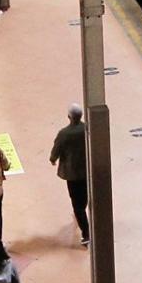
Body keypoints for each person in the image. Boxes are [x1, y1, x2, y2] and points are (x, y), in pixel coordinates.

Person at [49, 103, 90, 246]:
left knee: (76, 202)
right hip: (86, 170)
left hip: (72, 172)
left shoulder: (64, 133)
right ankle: (82, 213)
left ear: (69, 117)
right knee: (84, 197)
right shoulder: (87, 128)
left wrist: (53, 159)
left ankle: (86, 232)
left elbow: (56, 149)